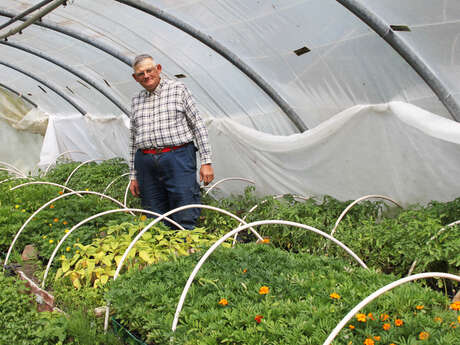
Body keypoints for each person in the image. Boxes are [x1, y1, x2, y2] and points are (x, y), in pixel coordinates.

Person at [128, 54, 214, 229]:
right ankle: (162, 250)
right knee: (153, 210)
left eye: (149, 70)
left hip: (178, 156)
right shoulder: (136, 100)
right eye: (140, 74)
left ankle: (186, 247)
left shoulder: (178, 89)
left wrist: (206, 161)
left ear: (158, 69)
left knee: (184, 204)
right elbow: (133, 139)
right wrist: (133, 175)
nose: (146, 76)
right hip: (145, 161)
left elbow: (198, 124)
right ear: (135, 78)